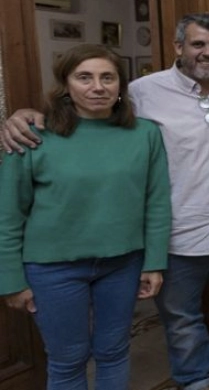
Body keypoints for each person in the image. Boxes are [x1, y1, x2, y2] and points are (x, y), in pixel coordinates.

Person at [0, 13, 209, 390]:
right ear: (179, 47)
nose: (207, 52)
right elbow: (81, 119)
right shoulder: (144, 92)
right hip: (180, 235)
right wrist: (23, 116)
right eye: (198, 44)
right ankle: (195, 381)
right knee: (181, 322)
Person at [0, 44, 171, 389]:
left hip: (122, 264)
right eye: (85, 77)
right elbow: (8, 214)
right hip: (53, 270)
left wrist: (154, 262)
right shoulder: (33, 136)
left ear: (120, 86)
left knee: (114, 352)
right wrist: (10, 279)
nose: (97, 86)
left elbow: (157, 202)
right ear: (66, 84)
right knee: (67, 360)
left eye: (107, 77)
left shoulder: (145, 134)